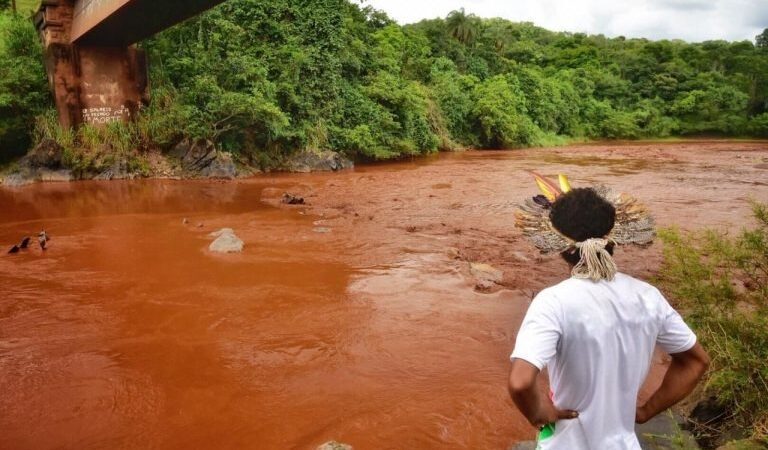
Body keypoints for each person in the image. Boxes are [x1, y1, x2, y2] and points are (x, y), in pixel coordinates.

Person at [508, 175, 710, 450]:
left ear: (560, 247)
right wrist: (646, 411)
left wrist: (539, 413)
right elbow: (696, 361)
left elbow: (520, 383)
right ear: (612, 239)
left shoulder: (553, 302)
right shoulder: (647, 297)